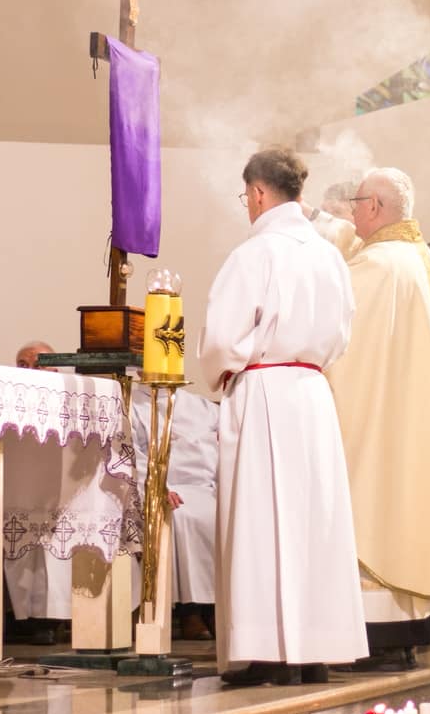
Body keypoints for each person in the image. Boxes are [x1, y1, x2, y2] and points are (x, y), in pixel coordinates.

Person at [199, 147, 367, 686]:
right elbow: (342, 334)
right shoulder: (329, 256)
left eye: (245, 196)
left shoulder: (254, 254)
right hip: (312, 395)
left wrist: (221, 372)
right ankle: (314, 651)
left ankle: (266, 652)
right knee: (312, 522)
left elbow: (221, 340)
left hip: (264, 392)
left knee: (261, 521)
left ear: (257, 192)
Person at [326, 167, 430, 667]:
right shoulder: (414, 256)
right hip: (402, 415)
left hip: (375, 418)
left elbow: (334, 335)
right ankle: (403, 635)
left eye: (356, 204)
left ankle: (371, 637)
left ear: (373, 207)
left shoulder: (379, 266)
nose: (352, 213)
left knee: (371, 507)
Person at [130, 387, 218, 639]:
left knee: (229, 517)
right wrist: (156, 486)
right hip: (167, 487)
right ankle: (189, 610)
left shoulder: (205, 407)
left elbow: (227, 451)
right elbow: (132, 455)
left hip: (207, 487)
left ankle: (216, 608)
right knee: (180, 515)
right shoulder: (132, 405)